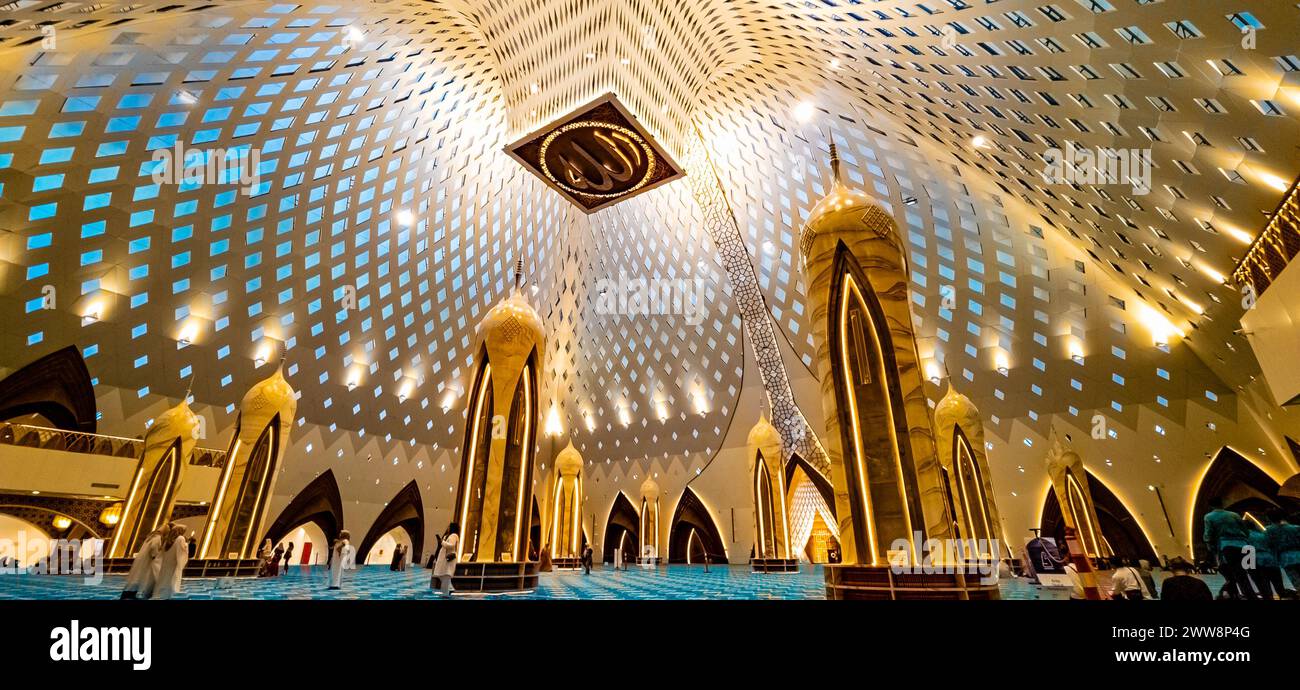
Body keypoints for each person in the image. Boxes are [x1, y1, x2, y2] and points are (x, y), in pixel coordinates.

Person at [1202, 497, 1256, 599]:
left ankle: (1243, 596)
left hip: (1227, 546)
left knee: (1235, 573)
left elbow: (1208, 534)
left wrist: (1210, 546)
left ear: (1211, 506)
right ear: (1222, 504)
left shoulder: (1209, 517)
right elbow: (1245, 531)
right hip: (1244, 545)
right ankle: (1257, 594)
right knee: (1251, 573)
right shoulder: (1234, 514)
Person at [120, 525, 167, 600]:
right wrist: (155, 555)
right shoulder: (157, 538)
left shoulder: (151, 536)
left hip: (143, 558)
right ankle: (128, 595)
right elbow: (154, 547)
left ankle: (129, 594)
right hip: (147, 559)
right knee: (139, 576)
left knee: (137, 576)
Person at [1246, 520, 1284, 599]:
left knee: (1263, 586)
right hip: (1271, 559)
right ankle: (1283, 596)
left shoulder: (1245, 536)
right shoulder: (1264, 535)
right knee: (1278, 584)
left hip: (1255, 558)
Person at [153, 525, 189, 600]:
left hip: (166, 564)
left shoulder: (167, 540)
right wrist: (186, 545)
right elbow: (181, 553)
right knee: (172, 581)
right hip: (174, 564)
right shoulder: (180, 538)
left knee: (164, 580)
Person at [1269, 514, 1300, 594]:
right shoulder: (1295, 528)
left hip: (1285, 557)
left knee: (1294, 578)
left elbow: (1270, 545)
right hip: (1297, 553)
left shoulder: (1269, 530)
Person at [431, 522, 459, 596]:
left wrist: (442, 542)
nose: (448, 528)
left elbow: (451, 546)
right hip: (445, 559)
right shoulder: (449, 536)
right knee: (442, 575)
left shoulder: (454, 535)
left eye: (449, 527)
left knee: (446, 575)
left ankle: (445, 593)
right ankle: (450, 588)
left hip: (449, 559)